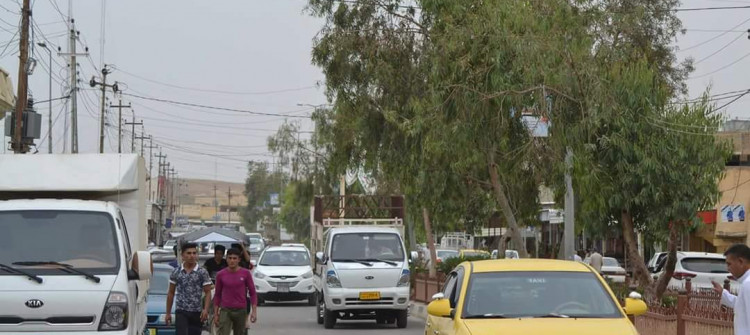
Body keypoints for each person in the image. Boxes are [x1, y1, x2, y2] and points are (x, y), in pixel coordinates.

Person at [166, 243, 213, 335]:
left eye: (194, 253)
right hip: (181, 310)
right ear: (182, 255)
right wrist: (168, 313)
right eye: (189, 253)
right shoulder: (176, 272)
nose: (192, 256)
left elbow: (208, 292)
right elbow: (171, 293)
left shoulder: (202, 272)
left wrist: (205, 309)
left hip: (196, 312)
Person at [213, 248, 258, 335]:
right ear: (226, 259)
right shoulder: (221, 274)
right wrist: (216, 314)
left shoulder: (245, 273)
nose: (232, 261)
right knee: (222, 332)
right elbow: (217, 295)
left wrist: (254, 311)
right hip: (225, 310)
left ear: (239, 260)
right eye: (230, 258)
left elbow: (252, 293)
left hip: (241, 310)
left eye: (234, 258)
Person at [713, 244, 750, 335]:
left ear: (740, 262)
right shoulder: (746, 282)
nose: (728, 268)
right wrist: (723, 293)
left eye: (729, 264)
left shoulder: (748, 284)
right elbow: (742, 304)